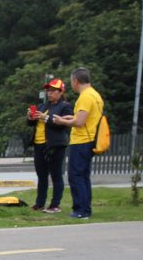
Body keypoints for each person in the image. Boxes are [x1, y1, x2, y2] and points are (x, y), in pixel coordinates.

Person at [52, 67, 103, 219]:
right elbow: (83, 118)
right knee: (84, 176)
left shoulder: (85, 97)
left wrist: (62, 121)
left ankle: (80, 210)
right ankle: (85, 208)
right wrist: (69, 118)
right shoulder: (95, 95)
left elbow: (79, 121)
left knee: (76, 176)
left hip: (82, 140)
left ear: (75, 81)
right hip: (90, 138)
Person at [26, 78, 73, 213]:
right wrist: (30, 117)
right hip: (39, 144)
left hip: (55, 145)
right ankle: (39, 203)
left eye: (53, 90)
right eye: (48, 90)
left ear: (61, 91)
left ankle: (55, 204)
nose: (49, 93)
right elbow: (31, 124)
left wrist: (45, 118)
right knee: (41, 175)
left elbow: (64, 124)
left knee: (56, 175)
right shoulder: (43, 106)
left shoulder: (65, 106)